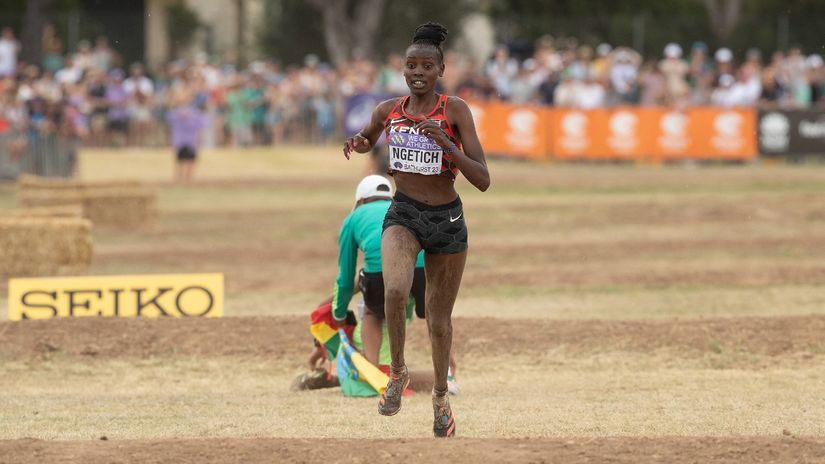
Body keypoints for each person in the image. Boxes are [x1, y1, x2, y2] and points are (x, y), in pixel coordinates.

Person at [343, 22, 490, 438]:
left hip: (448, 222)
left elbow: (483, 178)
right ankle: (398, 374)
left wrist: (447, 143)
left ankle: (441, 399)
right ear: (403, 70)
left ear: (440, 69)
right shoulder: (389, 109)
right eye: (411, 65)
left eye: (426, 65)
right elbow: (370, 138)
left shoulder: (455, 110)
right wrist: (358, 143)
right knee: (393, 289)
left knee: (439, 321)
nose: (417, 72)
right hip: (403, 213)